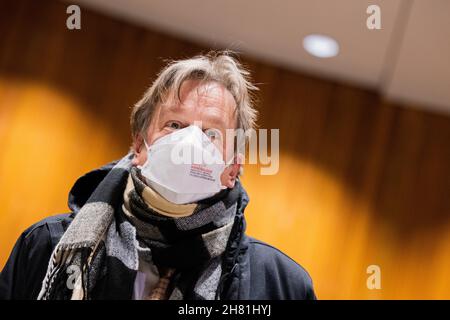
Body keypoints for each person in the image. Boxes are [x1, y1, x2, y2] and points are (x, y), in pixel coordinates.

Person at [0, 51, 316, 300]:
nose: (190, 144)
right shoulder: (48, 246)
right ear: (139, 145)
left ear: (232, 169)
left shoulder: (280, 285)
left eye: (211, 135)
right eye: (175, 125)